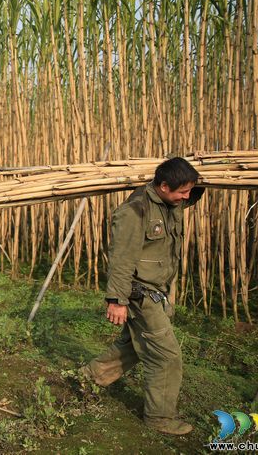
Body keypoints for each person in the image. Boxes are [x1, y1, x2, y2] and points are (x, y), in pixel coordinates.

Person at [80, 157, 205, 436]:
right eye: (183, 192)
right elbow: (121, 260)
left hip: (155, 292)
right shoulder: (135, 211)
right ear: (162, 186)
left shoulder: (171, 202)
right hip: (139, 295)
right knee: (166, 356)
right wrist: (116, 300)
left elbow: (188, 194)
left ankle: (88, 379)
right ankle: (159, 418)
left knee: (134, 347)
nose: (187, 197)